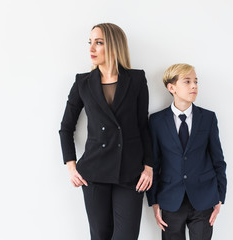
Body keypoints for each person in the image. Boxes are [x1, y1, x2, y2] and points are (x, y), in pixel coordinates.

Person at [59, 23, 153, 240]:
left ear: (113, 45)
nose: (91, 48)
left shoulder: (136, 79)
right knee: (100, 236)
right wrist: (71, 167)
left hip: (131, 173)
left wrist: (148, 167)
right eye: (90, 42)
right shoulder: (82, 82)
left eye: (98, 42)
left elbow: (143, 126)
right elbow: (66, 128)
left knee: (126, 236)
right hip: (93, 172)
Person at [146, 63, 227, 240]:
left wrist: (219, 197)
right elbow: (153, 163)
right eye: (187, 81)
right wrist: (154, 202)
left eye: (196, 82)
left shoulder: (208, 118)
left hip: (204, 199)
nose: (194, 86)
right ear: (171, 87)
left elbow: (218, 160)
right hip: (170, 199)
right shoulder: (157, 121)